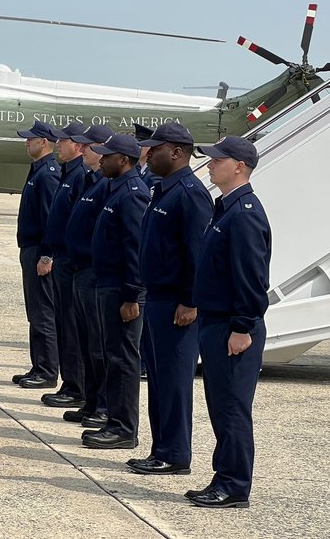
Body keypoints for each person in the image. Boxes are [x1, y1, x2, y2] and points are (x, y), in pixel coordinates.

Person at [185, 136, 270, 508]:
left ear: (239, 165)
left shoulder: (245, 213)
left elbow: (252, 278)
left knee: (232, 408)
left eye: (217, 160)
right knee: (221, 406)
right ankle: (223, 477)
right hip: (215, 321)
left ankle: (234, 485)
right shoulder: (226, 208)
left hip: (231, 326)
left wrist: (242, 326)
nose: (209, 165)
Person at [129, 122, 212, 475]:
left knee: (175, 381)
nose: (148, 154)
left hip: (176, 304)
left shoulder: (190, 193)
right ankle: (160, 447)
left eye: (155, 148)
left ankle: (175, 453)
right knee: (160, 379)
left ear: (176, 152)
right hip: (158, 298)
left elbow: (198, 254)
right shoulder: (165, 189)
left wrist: (190, 301)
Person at [82, 133, 148, 450]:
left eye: (107, 155)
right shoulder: (116, 188)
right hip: (106, 284)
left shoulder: (133, 193)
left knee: (123, 359)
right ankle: (113, 421)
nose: (102, 158)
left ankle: (123, 429)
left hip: (121, 290)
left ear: (123, 160)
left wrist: (131, 295)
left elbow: (135, 249)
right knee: (112, 355)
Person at [60, 125, 114, 429]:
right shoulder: (92, 179)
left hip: (94, 271)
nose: (83, 150)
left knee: (99, 345)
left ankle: (103, 405)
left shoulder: (105, 184)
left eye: (88, 146)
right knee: (86, 341)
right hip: (81, 269)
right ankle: (91, 401)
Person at [35, 121, 92, 409]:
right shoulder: (70, 173)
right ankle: (70, 383)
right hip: (63, 259)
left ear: (79, 145)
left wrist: (52, 255)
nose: (58, 144)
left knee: (71, 325)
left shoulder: (80, 174)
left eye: (64, 141)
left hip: (70, 260)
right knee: (63, 322)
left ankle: (76, 386)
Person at [14, 121, 62, 388]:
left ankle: (47, 370)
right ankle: (38, 365)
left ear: (44, 142)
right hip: (29, 248)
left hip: (39, 251)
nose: (26, 143)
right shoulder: (38, 171)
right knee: (35, 311)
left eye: (30, 139)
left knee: (43, 311)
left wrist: (47, 256)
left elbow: (49, 220)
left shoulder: (48, 174)